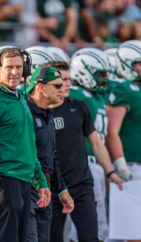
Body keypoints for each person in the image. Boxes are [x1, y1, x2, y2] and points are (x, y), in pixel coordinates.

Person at [0, 47, 51, 242]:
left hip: (24, 181)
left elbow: (29, 145)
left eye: (19, 67)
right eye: (9, 67)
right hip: (5, 182)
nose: (15, 72)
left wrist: (40, 181)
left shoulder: (20, 98)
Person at [44, 60, 124, 242]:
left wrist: (111, 172)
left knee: (90, 238)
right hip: (51, 188)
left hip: (81, 185)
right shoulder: (34, 111)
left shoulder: (79, 107)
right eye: (62, 80)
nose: (68, 84)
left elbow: (96, 143)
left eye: (69, 79)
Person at [68, 48, 113, 242]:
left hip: (95, 162)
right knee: (92, 222)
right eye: (100, 75)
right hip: (83, 162)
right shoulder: (78, 94)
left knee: (96, 222)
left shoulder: (96, 96)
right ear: (83, 72)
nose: (103, 80)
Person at [25, 66, 74, 242]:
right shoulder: (23, 111)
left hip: (45, 189)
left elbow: (52, 156)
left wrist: (61, 189)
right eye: (57, 85)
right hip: (26, 187)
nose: (63, 89)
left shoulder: (48, 114)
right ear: (40, 87)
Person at [106, 40, 141, 183]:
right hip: (132, 165)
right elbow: (111, 130)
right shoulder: (123, 87)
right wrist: (121, 166)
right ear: (127, 64)